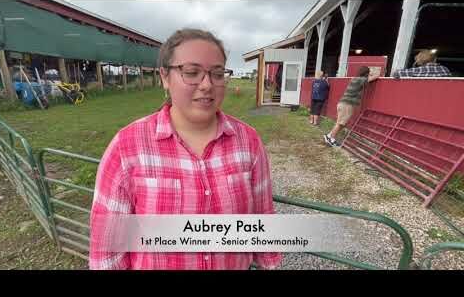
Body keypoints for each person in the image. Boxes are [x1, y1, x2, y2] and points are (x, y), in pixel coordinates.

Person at [89, 28, 282, 270]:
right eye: (191, 72)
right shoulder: (127, 147)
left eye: (218, 73)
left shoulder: (248, 142)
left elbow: (262, 217)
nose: (207, 85)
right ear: (165, 77)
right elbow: (107, 249)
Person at [324, 66, 380, 147]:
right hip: (347, 104)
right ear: (366, 73)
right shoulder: (361, 79)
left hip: (343, 103)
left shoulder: (355, 79)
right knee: (341, 123)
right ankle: (331, 139)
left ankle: (329, 136)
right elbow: (375, 77)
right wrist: (373, 73)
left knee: (341, 123)